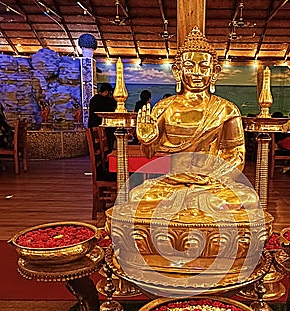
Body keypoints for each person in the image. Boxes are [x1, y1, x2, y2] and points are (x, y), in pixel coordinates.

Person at [132, 27, 259, 212]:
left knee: (248, 198)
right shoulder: (163, 108)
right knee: (137, 197)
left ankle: (191, 202)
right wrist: (147, 140)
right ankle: (193, 202)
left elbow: (236, 155)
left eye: (204, 67)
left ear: (214, 72)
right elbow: (149, 153)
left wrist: (212, 178)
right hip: (173, 182)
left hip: (212, 183)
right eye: (189, 66)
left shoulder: (227, 110)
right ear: (177, 71)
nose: (197, 73)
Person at [88, 83, 117, 151]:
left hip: (94, 125)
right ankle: (109, 153)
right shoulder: (104, 100)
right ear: (106, 92)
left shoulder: (94, 99)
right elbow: (112, 109)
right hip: (102, 127)